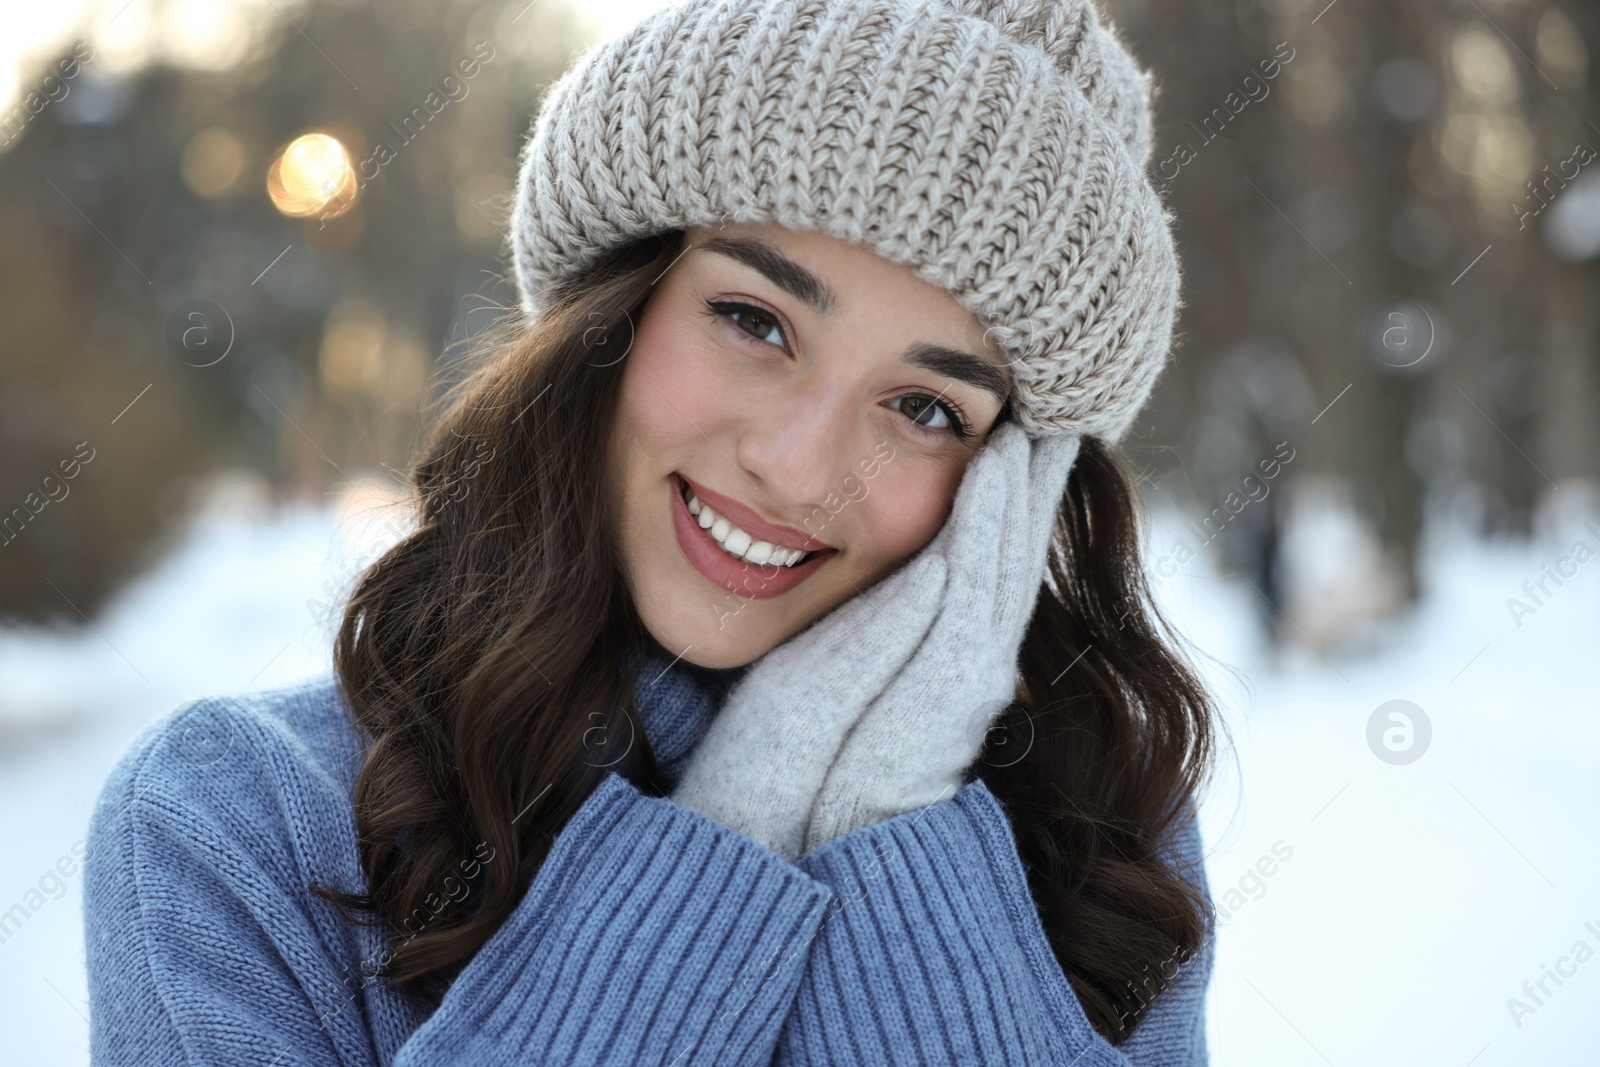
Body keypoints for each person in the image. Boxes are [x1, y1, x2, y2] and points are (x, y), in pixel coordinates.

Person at [83, 0, 1220, 1063]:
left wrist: (892, 824)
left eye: (925, 408)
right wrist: (733, 832)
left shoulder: (1102, 847)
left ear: (1013, 488)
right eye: (753, 320)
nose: (800, 466)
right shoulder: (238, 830)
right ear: (610, 313)